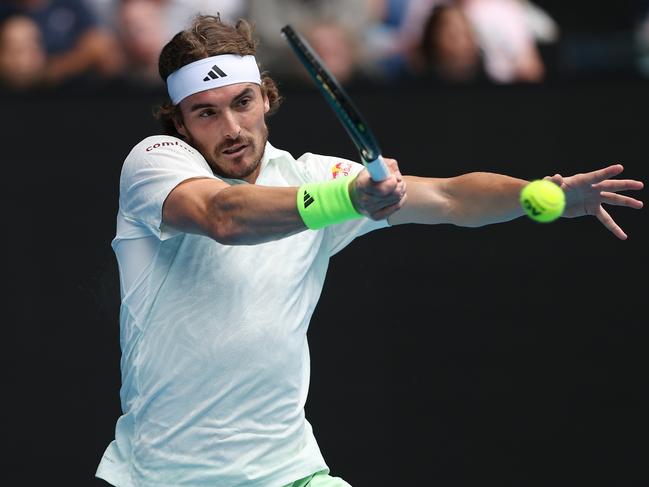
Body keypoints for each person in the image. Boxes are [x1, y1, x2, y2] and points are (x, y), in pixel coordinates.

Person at [96, 14, 644, 487]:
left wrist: (533, 196)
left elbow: (451, 197)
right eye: (206, 113)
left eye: (242, 103)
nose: (233, 127)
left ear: (265, 97)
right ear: (180, 122)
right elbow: (223, 216)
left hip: (288, 470)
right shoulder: (156, 163)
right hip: (161, 474)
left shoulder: (310, 176)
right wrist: (350, 196)